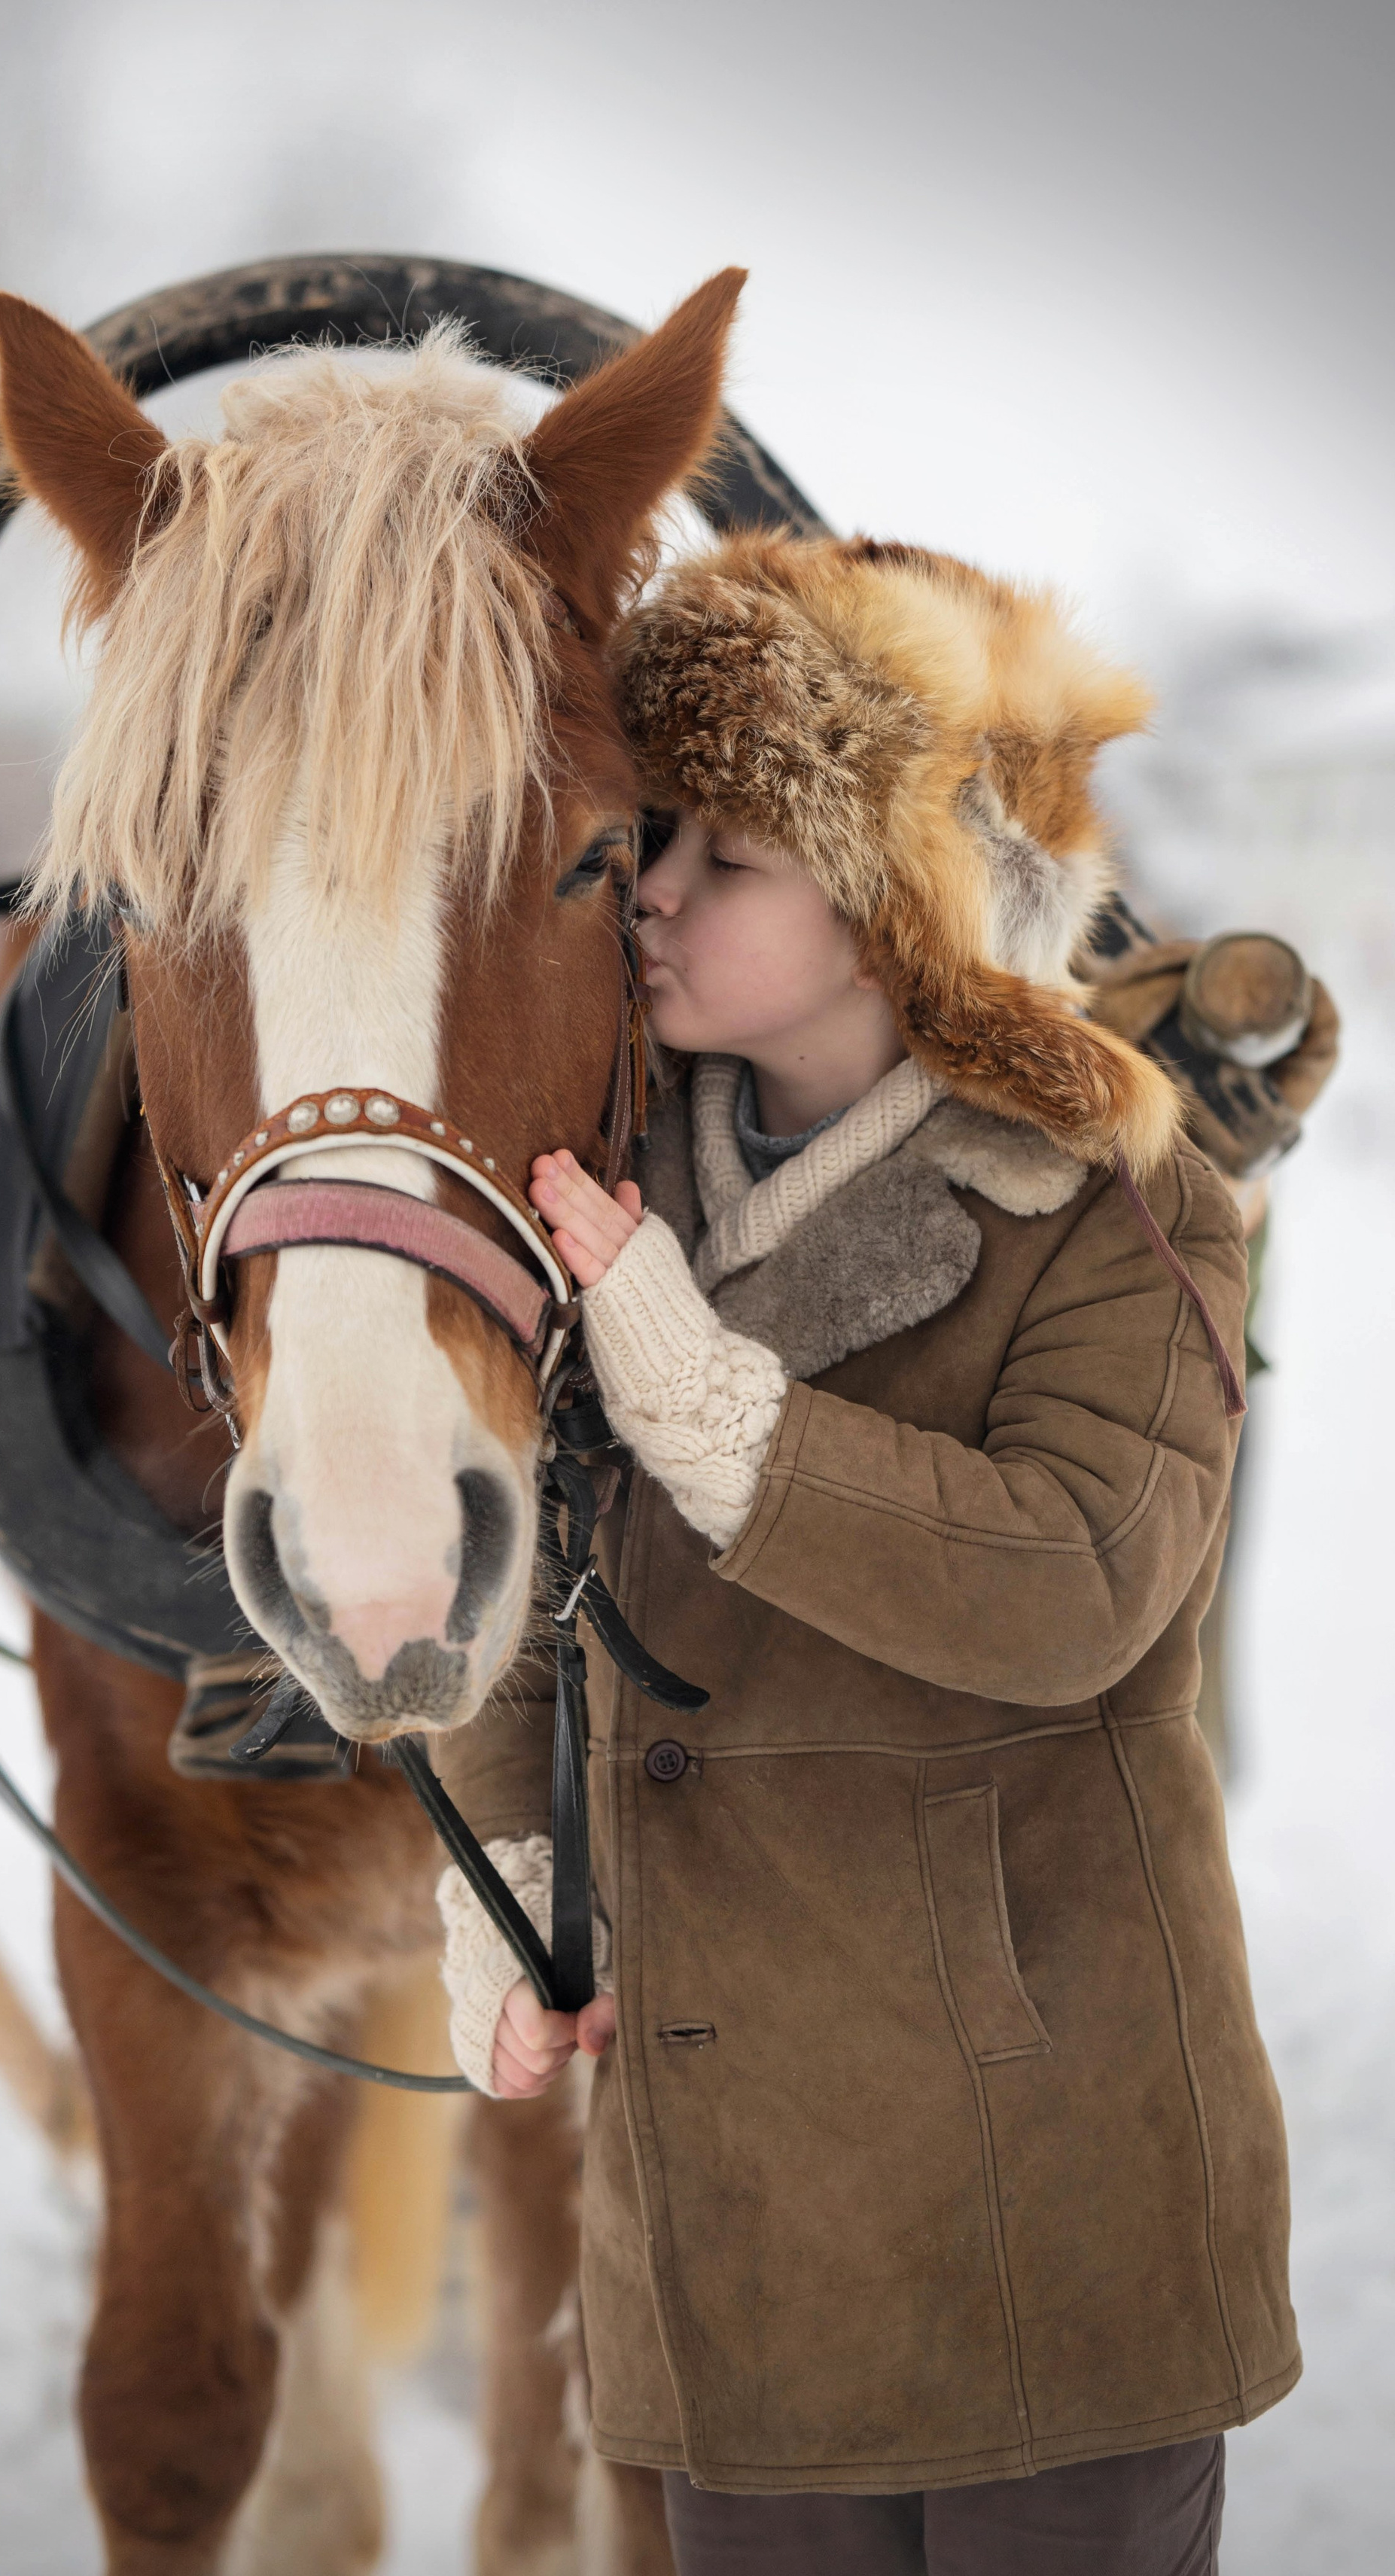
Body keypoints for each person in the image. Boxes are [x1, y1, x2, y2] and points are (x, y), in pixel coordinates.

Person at [432, 534, 1296, 2575]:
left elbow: (1075, 1582)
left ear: (901, 882)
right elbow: (531, 1582)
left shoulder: (1120, 1203)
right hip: (730, 2242)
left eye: (726, 853)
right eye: (657, 839)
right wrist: (507, 1869)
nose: (651, 889)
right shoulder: (607, 1187)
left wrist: (709, 1403)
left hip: (1045, 2207)